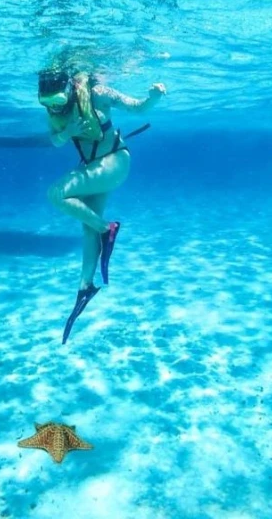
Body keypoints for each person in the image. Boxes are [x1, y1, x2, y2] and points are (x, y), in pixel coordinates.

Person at [37, 68, 166, 344]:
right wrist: (68, 131)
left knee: (56, 194)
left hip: (115, 162)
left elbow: (138, 108)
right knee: (87, 227)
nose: (56, 107)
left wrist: (153, 97)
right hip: (93, 166)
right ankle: (86, 286)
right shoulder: (56, 110)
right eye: (50, 103)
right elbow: (54, 139)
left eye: (59, 100)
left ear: (71, 87)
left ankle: (107, 229)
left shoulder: (97, 93)